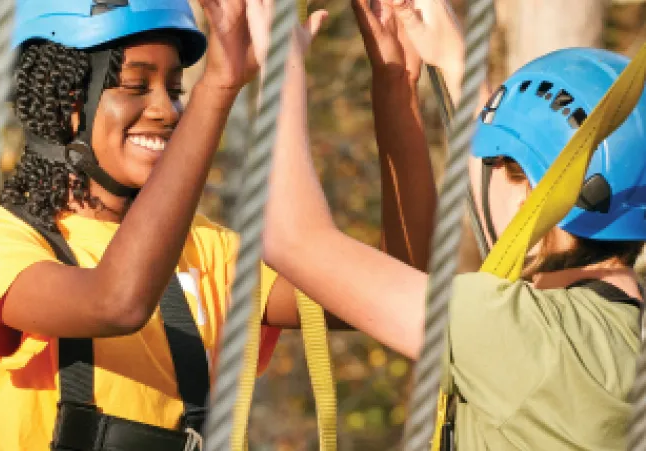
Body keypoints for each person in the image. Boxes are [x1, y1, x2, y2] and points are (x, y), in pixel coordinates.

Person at [0, 1, 332, 449]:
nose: (167, 110)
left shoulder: (206, 248)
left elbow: (383, 290)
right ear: (63, 99)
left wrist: (396, 85)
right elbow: (116, 302)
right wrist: (217, 88)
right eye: (134, 85)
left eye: (177, 88)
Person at [259, 0, 646, 448]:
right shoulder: (611, 337)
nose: (480, 170)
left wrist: (280, 59)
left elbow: (293, 239)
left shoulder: (523, 337)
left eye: (494, 163)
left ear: (530, 196)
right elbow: (526, 199)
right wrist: (417, 74)